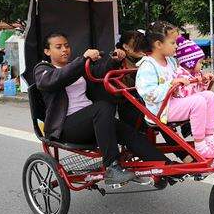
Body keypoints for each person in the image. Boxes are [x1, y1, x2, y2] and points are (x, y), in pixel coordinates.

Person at [34, 32, 167, 186]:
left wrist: (114, 60)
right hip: (66, 127)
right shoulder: (43, 70)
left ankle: (167, 167)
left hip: (92, 123)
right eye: (58, 47)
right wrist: (82, 59)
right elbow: (55, 79)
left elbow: (99, 71)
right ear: (47, 51)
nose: (64, 49)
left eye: (66, 46)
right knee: (103, 107)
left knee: (128, 132)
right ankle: (112, 167)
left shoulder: (78, 68)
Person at [136, 21, 214, 159]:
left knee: (209, 95)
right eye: (172, 43)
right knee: (198, 102)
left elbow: (184, 80)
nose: (176, 46)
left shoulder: (171, 61)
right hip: (161, 110)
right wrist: (171, 85)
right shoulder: (147, 65)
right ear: (158, 44)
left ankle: (210, 138)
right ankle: (201, 146)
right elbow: (147, 93)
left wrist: (200, 79)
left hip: (174, 102)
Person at [174, 35, 214, 149]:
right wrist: (192, 82)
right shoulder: (180, 74)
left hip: (197, 103)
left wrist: (204, 81)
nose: (202, 65)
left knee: (212, 104)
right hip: (187, 106)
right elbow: (182, 95)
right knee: (208, 110)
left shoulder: (196, 73)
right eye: (199, 62)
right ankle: (212, 136)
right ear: (190, 63)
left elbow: (202, 91)